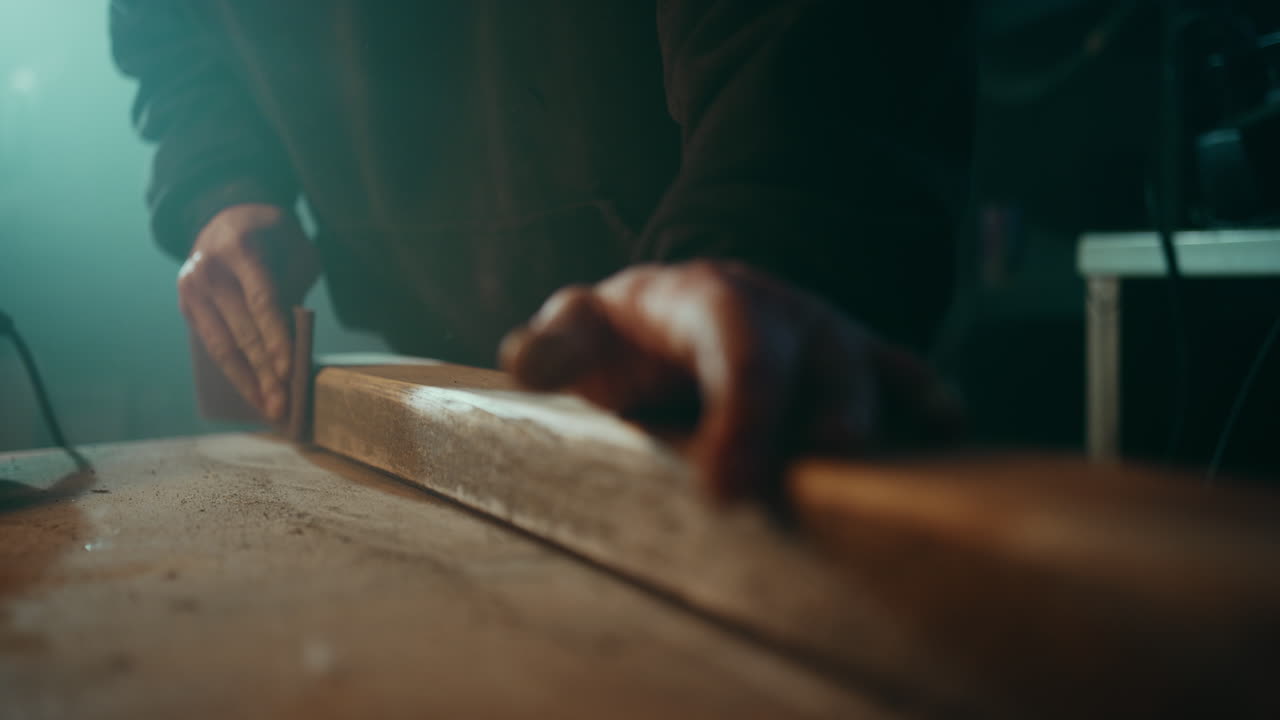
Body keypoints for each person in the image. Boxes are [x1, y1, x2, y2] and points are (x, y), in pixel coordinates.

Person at [112, 0, 973, 500]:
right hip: (427, 364)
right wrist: (224, 186)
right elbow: (172, 30)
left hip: (730, 340)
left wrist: (769, 217)